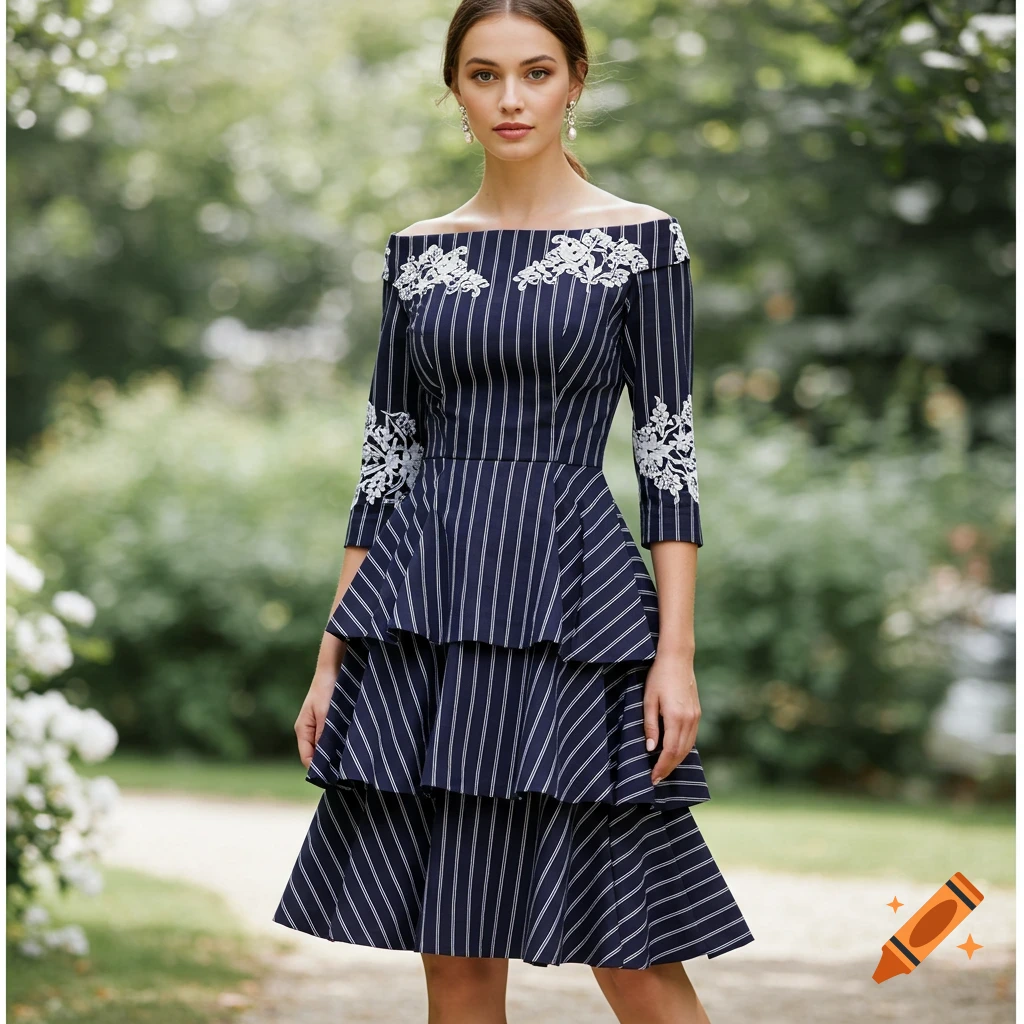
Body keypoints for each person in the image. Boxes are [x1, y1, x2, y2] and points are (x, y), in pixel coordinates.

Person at [273, 1, 754, 1021]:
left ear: (575, 78)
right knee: (453, 958)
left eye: (534, 72)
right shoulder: (414, 251)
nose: (509, 97)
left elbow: (667, 453)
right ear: (453, 88)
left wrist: (675, 653)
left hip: (575, 610)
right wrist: (332, 652)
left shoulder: (643, 241)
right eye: (483, 74)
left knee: (630, 950)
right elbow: (384, 461)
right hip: (428, 605)